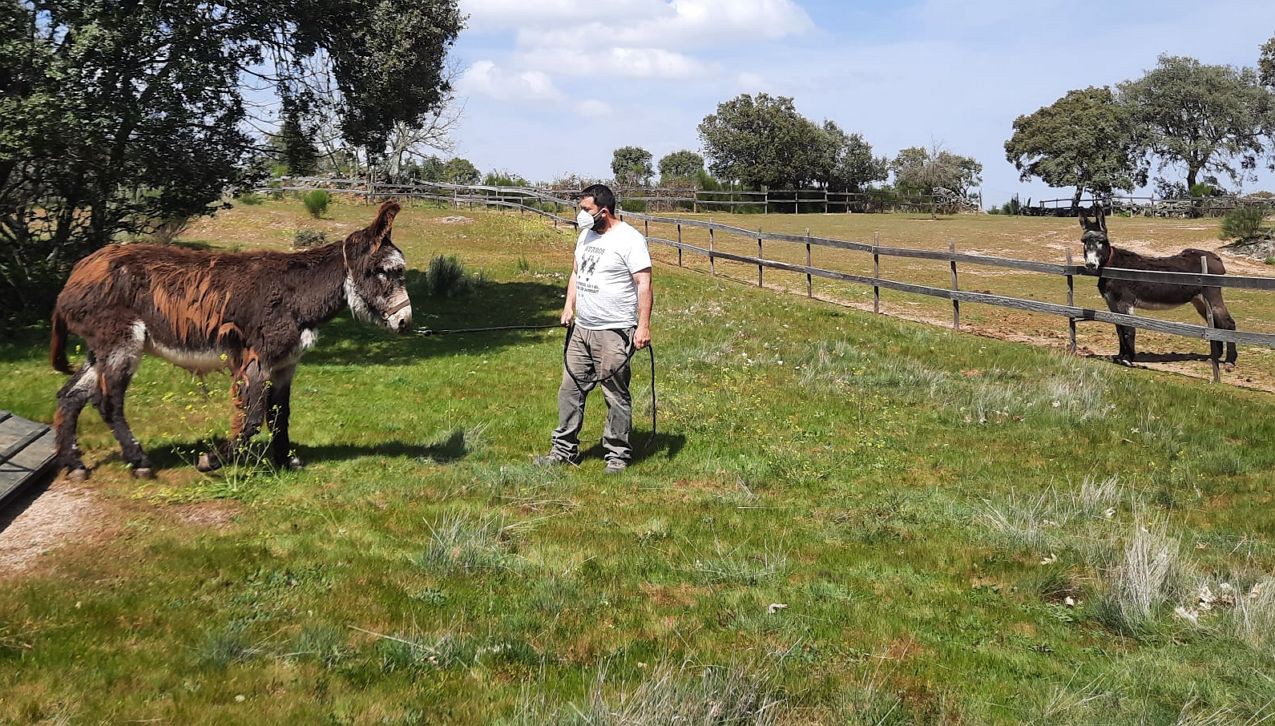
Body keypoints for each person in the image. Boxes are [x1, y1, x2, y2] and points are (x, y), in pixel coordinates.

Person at [536, 183, 652, 474]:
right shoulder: (585, 236)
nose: (581, 215)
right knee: (569, 390)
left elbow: (644, 284)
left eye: (586, 209)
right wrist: (568, 307)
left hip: (614, 331)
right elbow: (576, 272)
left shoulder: (630, 239)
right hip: (581, 330)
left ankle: (617, 454)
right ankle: (563, 450)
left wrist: (643, 326)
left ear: (604, 210)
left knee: (615, 393)